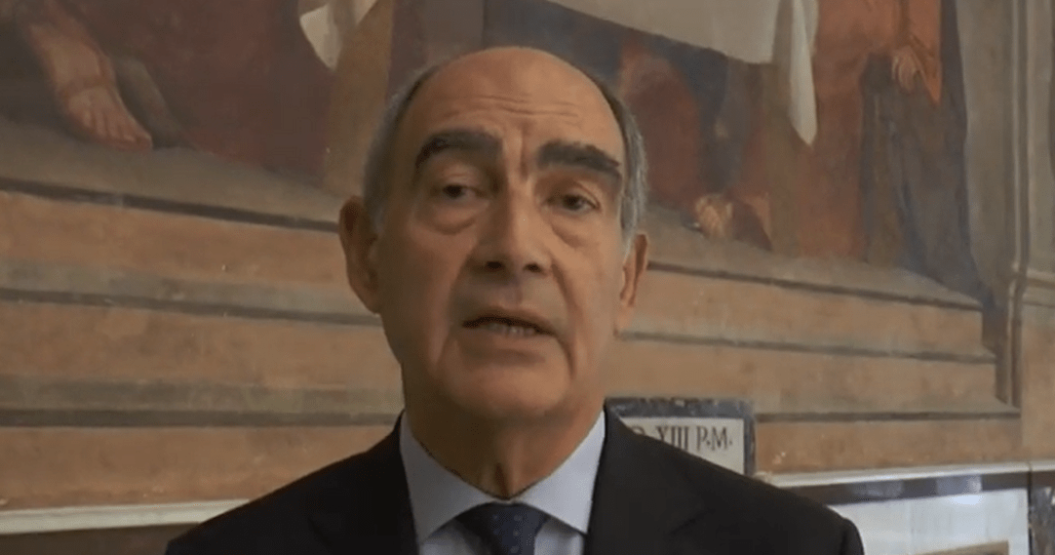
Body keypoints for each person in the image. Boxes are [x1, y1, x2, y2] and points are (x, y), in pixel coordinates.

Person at [164, 46, 865, 555]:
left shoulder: (798, 548)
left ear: (627, 279)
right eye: (458, 189)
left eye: (572, 200)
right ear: (367, 253)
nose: (515, 246)